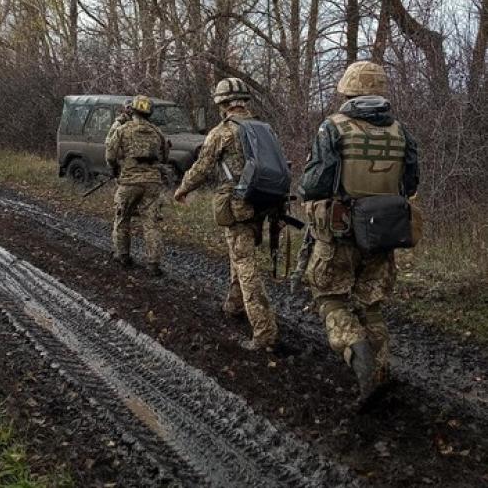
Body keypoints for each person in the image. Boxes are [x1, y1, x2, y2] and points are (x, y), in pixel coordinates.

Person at [298, 61, 419, 400]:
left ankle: (358, 351)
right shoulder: (401, 131)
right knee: (372, 303)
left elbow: (315, 183)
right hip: (384, 231)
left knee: (330, 297)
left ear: (348, 91)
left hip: (341, 231)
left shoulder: (333, 128)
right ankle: (381, 370)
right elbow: (411, 182)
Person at [173, 78, 278, 351]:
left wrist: (182, 189)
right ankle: (234, 305)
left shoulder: (222, 133)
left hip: (236, 202)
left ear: (222, 104)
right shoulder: (264, 128)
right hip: (262, 203)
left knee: (245, 264)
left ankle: (264, 331)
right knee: (239, 253)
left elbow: (201, 167)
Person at [105, 94, 169, 276]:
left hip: (129, 182)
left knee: (122, 219)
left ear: (132, 110)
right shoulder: (157, 132)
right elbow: (165, 156)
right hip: (152, 183)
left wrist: (116, 169)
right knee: (151, 224)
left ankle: (122, 256)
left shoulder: (122, 130)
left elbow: (110, 154)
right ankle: (153, 264)